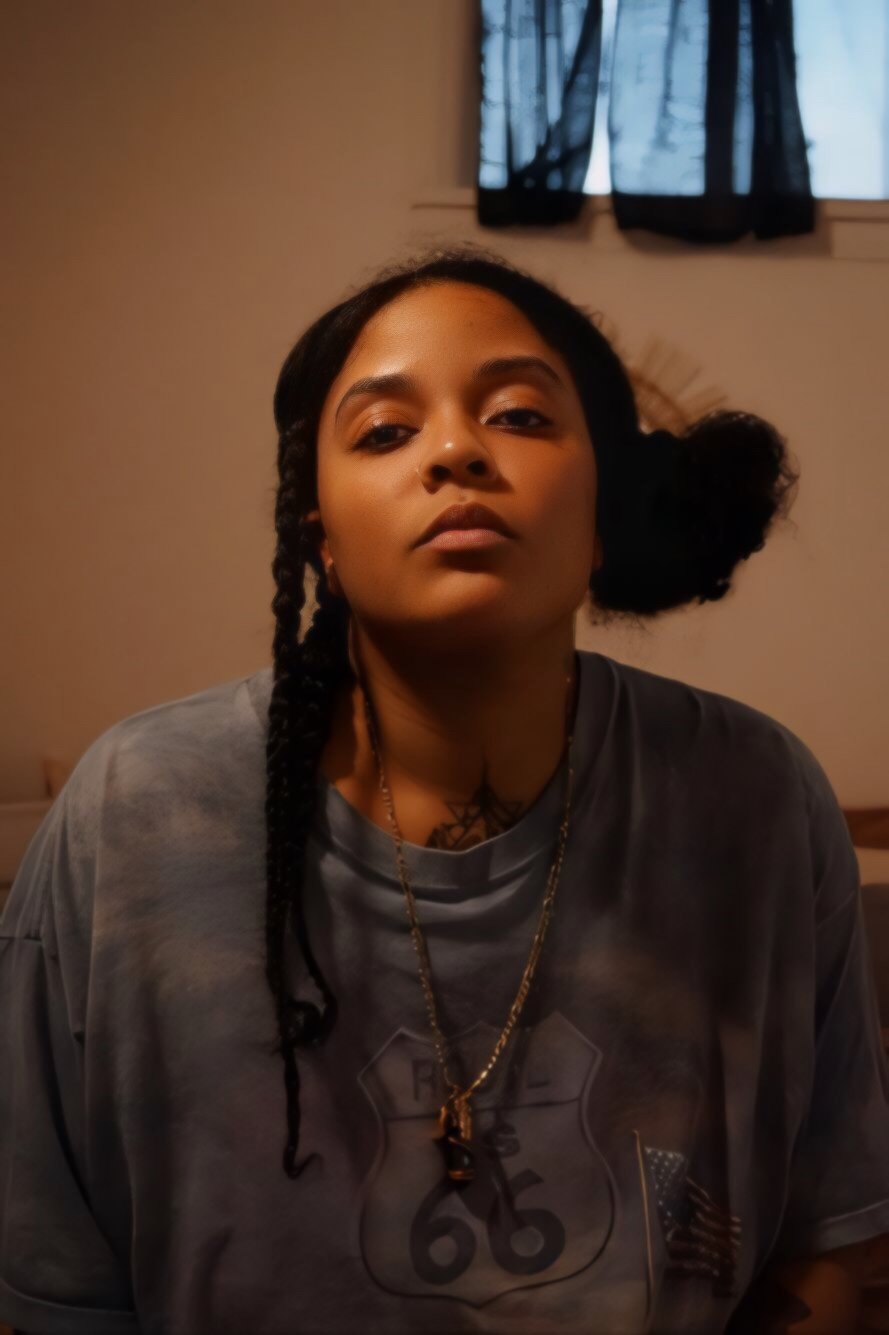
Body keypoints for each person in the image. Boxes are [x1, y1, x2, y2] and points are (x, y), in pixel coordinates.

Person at [1, 242, 887, 1335]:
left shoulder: (752, 800)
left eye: (518, 416)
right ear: (317, 536)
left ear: (605, 509)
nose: (457, 450)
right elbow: (53, 1287)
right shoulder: (132, 815)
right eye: (383, 431)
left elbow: (830, 1244)